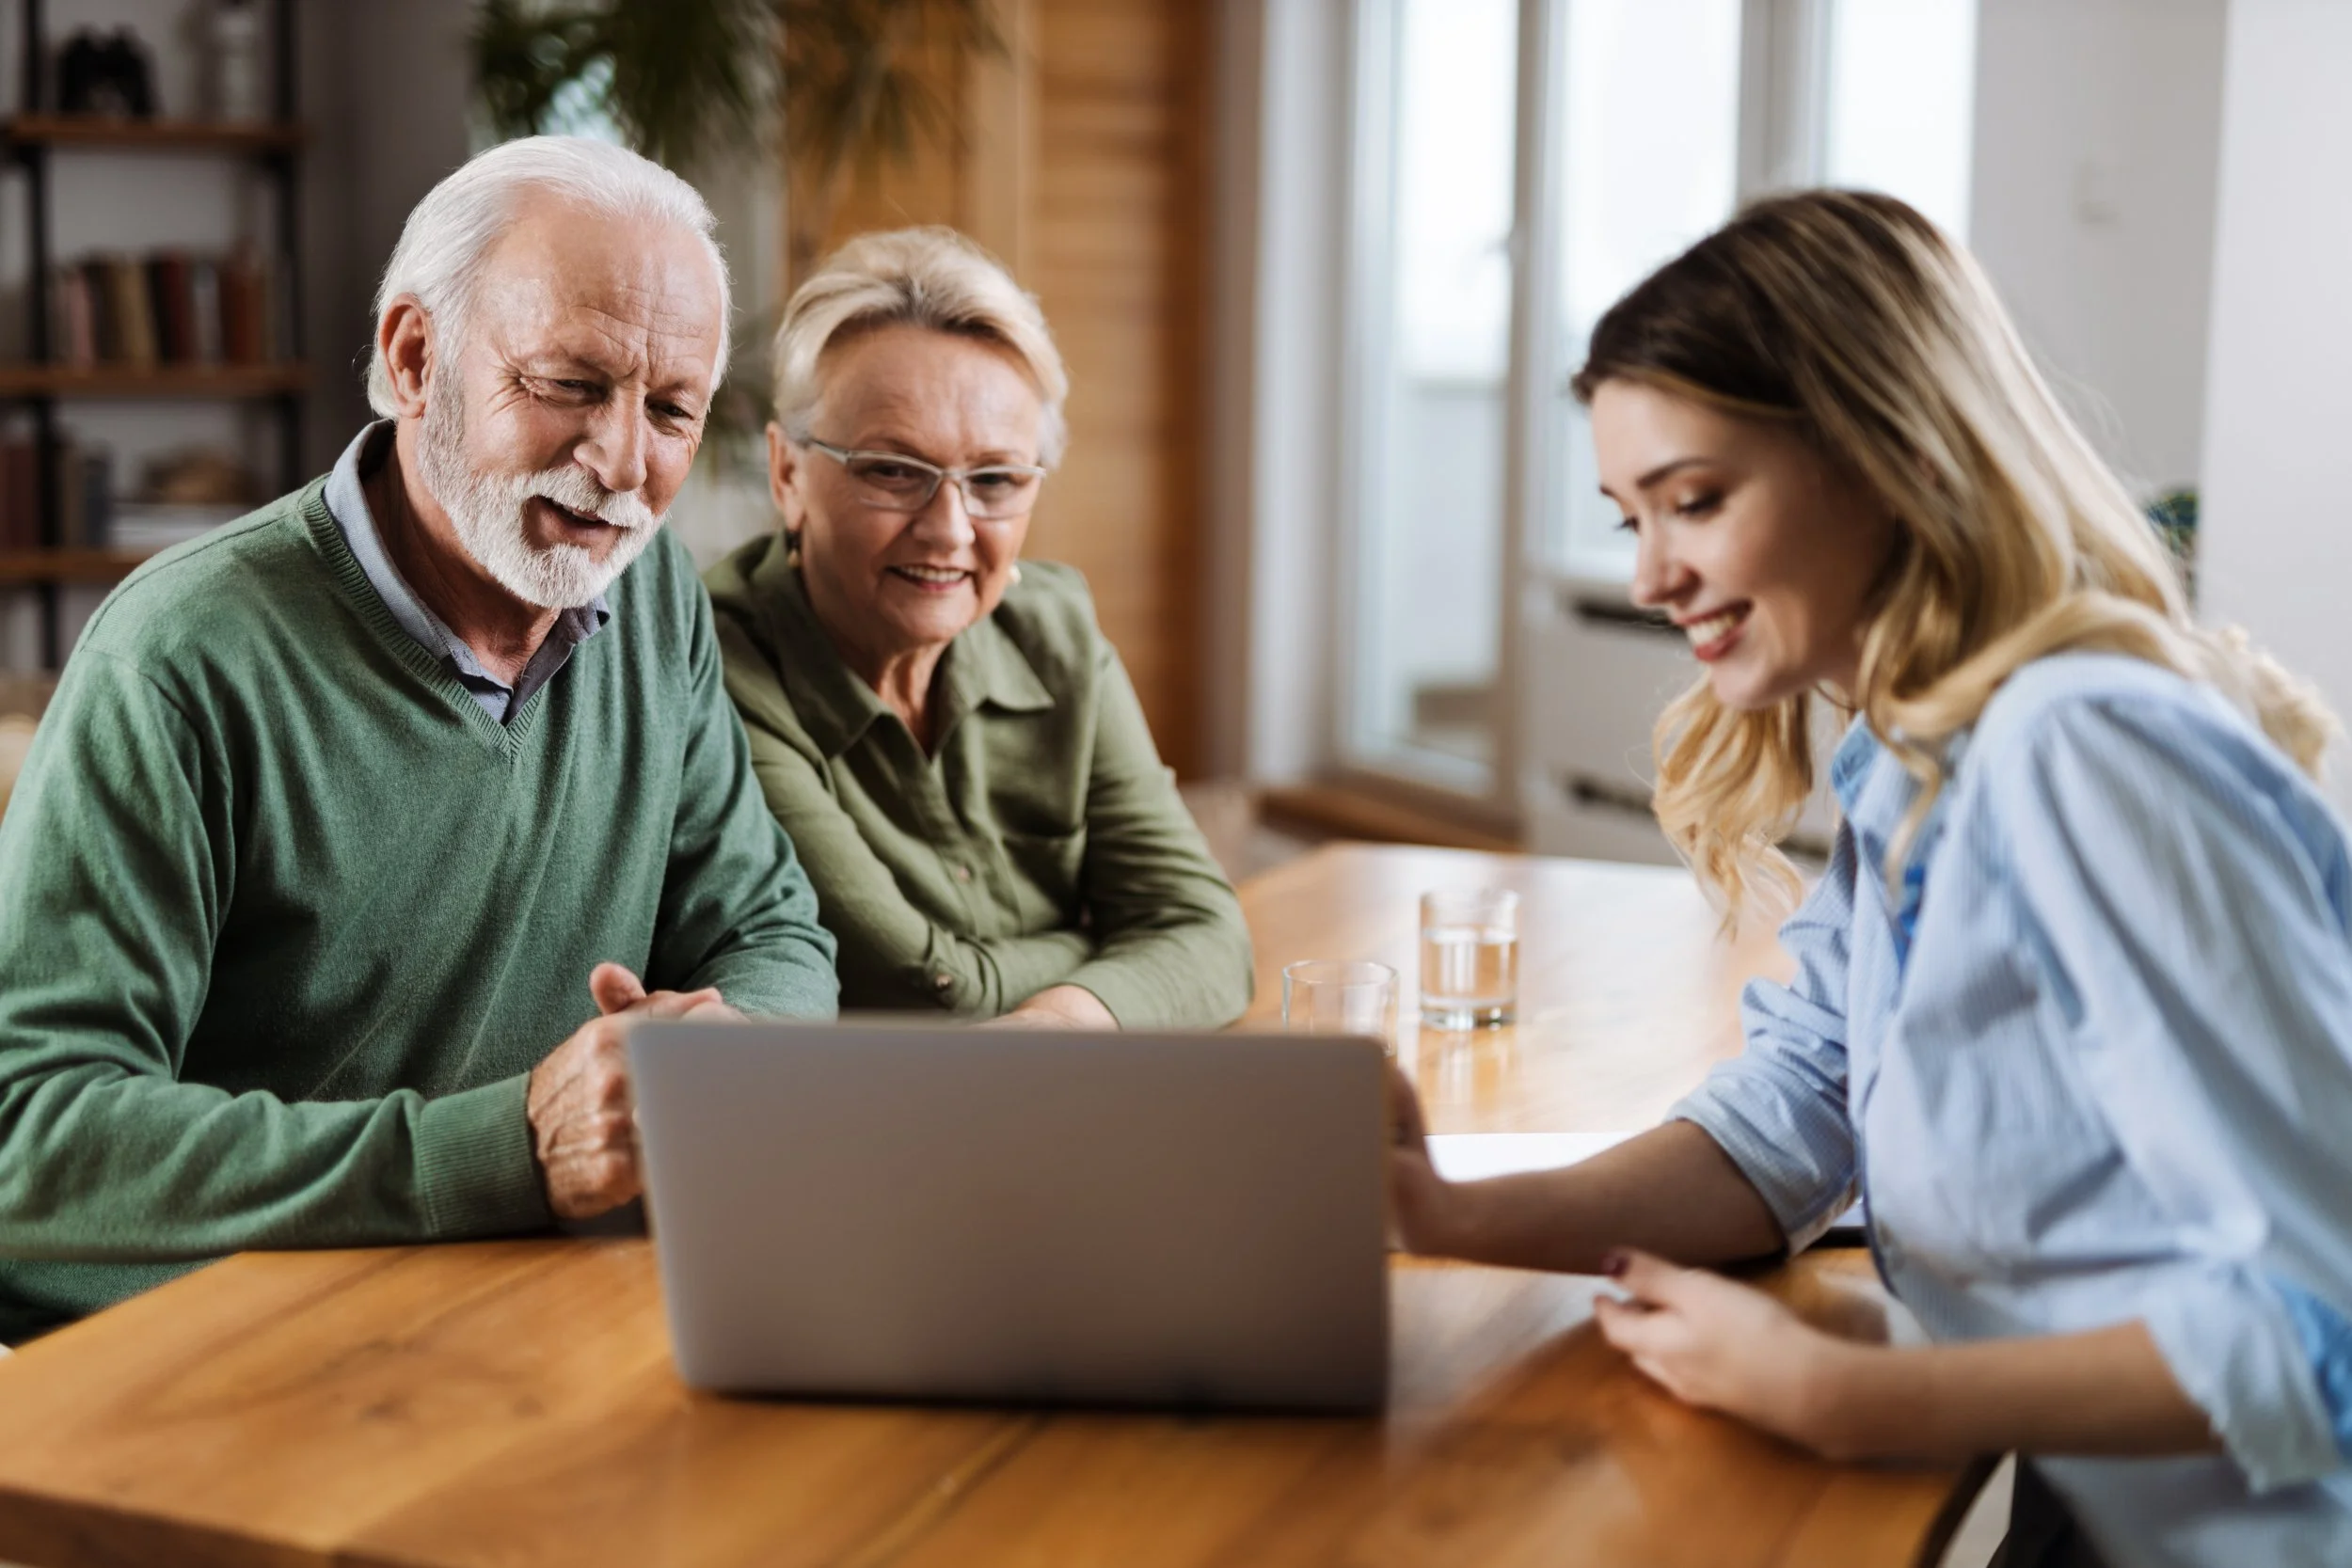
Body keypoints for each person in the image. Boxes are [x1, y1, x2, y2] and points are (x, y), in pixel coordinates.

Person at [1387, 189, 2352, 1565]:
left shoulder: (2081, 750)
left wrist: (1841, 1392)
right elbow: (1797, 1109)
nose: (1656, 574)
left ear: (1887, 453)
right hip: (2105, 1497)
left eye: (1697, 501)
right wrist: (1445, 1211)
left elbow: (2323, 1318)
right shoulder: (1913, 756)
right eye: (1628, 518)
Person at [0, 136, 839, 1344]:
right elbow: (36, 1135)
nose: (621, 462)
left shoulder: (655, 608)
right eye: (568, 383)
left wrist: (723, 1060)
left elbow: (767, 929)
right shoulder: (178, 657)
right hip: (198, 1358)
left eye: (670, 409)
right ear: (413, 358)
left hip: (508, 1315)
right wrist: (505, 1147)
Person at [705, 228, 1251, 1030]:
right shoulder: (718, 665)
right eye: (894, 470)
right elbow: (920, 984)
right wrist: (1103, 948)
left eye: (994, 479)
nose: (951, 530)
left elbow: (1210, 936)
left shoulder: (1056, 634)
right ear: (789, 473)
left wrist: (1059, 1024)